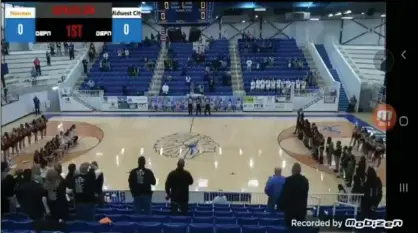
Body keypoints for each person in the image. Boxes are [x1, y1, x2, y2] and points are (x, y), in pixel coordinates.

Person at [279, 163, 309, 227]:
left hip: (290, 210)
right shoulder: (305, 181)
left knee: (289, 227)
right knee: (300, 228)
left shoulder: (288, 180)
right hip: (301, 209)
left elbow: (284, 195)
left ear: (292, 170)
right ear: (300, 171)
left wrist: (281, 206)